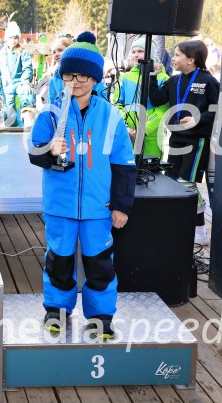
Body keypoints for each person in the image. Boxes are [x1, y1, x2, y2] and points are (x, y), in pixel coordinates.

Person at [28, 32, 137, 337]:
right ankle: (57, 311)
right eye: (69, 75)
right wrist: (49, 150)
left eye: (83, 76)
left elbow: (124, 166)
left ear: (95, 78)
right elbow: (34, 152)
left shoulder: (111, 116)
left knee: (100, 264)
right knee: (59, 262)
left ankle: (101, 315)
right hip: (60, 206)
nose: (75, 81)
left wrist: (121, 206)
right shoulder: (51, 113)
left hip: (98, 208)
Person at [148, 39, 220, 244]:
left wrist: (198, 119)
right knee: (172, 182)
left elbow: (218, 109)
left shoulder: (208, 81)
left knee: (187, 183)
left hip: (197, 141)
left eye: (178, 55)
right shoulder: (173, 81)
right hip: (176, 139)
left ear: (191, 59)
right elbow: (156, 100)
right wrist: (152, 77)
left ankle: (200, 230)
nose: (174, 58)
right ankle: (178, 227)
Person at [110, 36, 170, 158]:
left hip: (151, 138)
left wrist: (143, 130)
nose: (136, 55)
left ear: (151, 54)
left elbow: (162, 110)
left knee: (149, 169)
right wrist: (125, 127)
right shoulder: (125, 77)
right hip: (127, 136)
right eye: (133, 52)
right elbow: (117, 104)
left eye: (140, 51)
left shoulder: (162, 78)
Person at [0, 22, 33, 126]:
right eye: (11, 38)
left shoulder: (22, 52)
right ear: (6, 39)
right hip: (7, 85)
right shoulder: (2, 54)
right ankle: (12, 127)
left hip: (19, 82)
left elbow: (27, 68)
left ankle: (28, 119)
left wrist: (25, 82)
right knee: (9, 109)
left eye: (16, 38)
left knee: (26, 94)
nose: (13, 40)